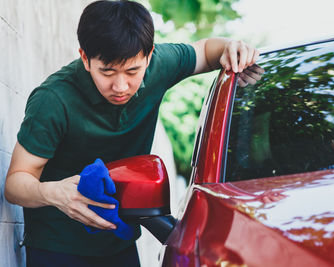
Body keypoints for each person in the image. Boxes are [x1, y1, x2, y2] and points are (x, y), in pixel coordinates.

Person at [4, 0, 261, 266]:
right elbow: (15, 183)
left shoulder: (160, 65)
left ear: (148, 57)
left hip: (120, 242)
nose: (120, 85)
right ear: (85, 58)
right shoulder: (53, 100)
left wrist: (231, 46)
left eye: (132, 71)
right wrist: (55, 193)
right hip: (56, 246)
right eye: (107, 71)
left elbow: (207, 50)